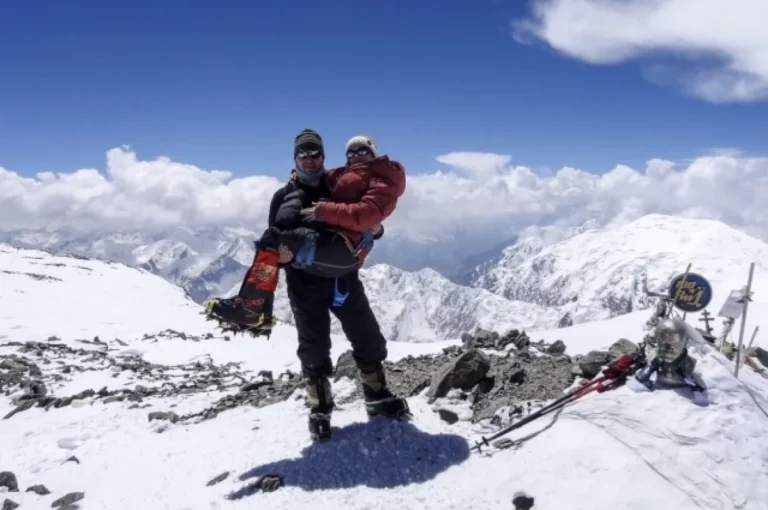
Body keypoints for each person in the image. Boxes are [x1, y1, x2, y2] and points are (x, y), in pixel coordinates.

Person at [206, 129, 409, 442]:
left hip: (343, 280)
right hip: (304, 285)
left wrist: (377, 230)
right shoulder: (281, 196)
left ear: (323, 157)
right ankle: (320, 409)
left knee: (368, 337)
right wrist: (284, 259)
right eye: (304, 154)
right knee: (314, 348)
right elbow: (276, 240)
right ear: (295, 158)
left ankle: (377, 397)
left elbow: (361, 219)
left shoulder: (338, 185)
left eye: (315, 154)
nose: (310, 159)